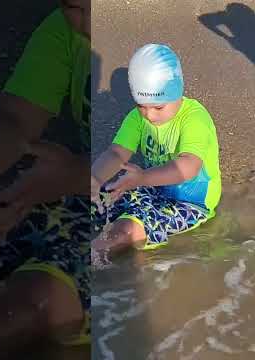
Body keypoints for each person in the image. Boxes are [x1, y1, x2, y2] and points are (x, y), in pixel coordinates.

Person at [0, 0, 91, 358]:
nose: (81, 21)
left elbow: (185, 163)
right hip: (79, 194)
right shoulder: (64, 30)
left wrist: (78, 173)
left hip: (148, 210)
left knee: (40, 301)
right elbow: (13, 119)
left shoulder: (167, 40)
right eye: (73, 7)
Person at [91, 43, 221, 260]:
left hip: (190, 203)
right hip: (150, 186)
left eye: (158, 107)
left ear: (178, 91)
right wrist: (94, 178)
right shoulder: (137, 117)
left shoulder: (195, 118)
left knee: (125, 231)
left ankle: (83, 264)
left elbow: (188, 167)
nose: (149, 115)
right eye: (142, 105)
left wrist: (142, 178)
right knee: (93, 203)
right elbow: (116, 153)